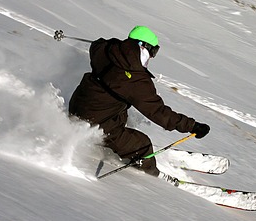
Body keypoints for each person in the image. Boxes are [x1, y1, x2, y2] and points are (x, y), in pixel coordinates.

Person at [69, 26, 210, 177]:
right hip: (96, 124)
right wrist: (192, 126)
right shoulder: (136, 80)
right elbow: (158, 112)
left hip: (77, 108)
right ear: (142, 46)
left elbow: (97, 44)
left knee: (122, 113)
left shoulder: (107, 49)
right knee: (143, 145)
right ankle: (152, 176)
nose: (152, 57)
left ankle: (117, 142)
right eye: (153, 51)